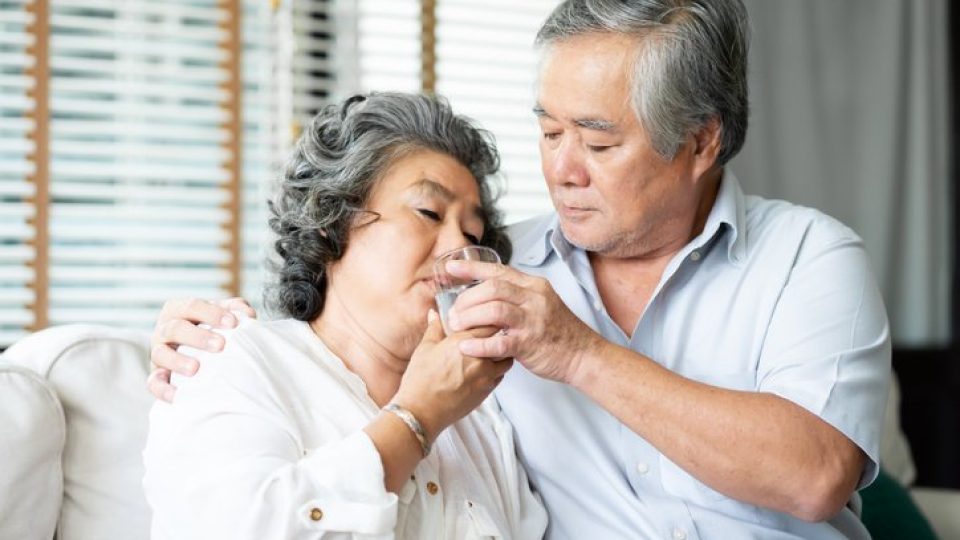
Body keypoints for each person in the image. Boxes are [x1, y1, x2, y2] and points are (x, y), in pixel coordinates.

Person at [150, 1, 891, 539]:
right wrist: (194, 331)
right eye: (547, 131)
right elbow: (339, 322)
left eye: (598, 145)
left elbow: (815, 476)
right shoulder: (495, 279)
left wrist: (576, 351)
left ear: (701, 142)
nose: (561, 170)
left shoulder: (808, 259)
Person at [142, 92, 548, 540]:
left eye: (472, 233)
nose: (458, 249)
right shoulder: (223, 359)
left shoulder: (482, 418)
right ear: (331, 219)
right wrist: (418, 418)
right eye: (428, 212)